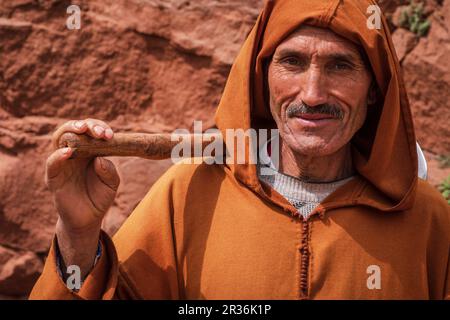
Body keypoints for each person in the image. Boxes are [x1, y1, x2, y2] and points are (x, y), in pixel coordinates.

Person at [30, 0, 449, 299]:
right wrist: (78, 236)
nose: (313, 93)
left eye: (341, 65)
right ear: (261, 78)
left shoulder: (428, 222)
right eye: (292, 62)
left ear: (375, 89)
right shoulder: (189, 194)